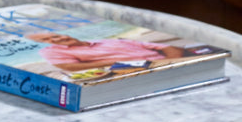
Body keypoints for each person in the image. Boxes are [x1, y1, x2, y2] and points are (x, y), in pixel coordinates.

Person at [24, 31, 187, 74]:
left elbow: (163, 48)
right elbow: (71, 67)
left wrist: (172, 62)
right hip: (131, 69)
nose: (56, 40)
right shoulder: (51, 51)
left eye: (55, 36)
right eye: (46, 40)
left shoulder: (109, 40)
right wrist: (114, 63)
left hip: (168, 62)